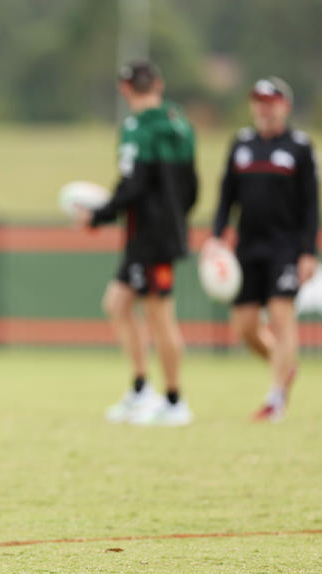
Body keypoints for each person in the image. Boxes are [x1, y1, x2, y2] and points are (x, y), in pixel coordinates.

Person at [77, 60, 198, 426]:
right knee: (117, 303)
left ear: (125, 88)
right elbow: (192, 188)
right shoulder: (181, 124)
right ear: (157, 84)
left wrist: (98, 215)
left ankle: (175, 401)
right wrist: (176, 217)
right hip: (157, 235)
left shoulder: (136, 129)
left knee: (161, 317)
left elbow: (133, 185)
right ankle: (142, 390)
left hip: (150, 239)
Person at [205, 76, 319, 421]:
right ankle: (283, 367)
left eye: (270, 102)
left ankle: (276, 398)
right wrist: (216, 234)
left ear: (285, 106)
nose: (263, 108)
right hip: (248, 246)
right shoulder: (241, 145)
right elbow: (227, 196)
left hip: (285, 246)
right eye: (258, 101)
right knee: (245, 326)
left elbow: (311, 204)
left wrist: (309, 251)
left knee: (282, 316)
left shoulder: (300, 146)